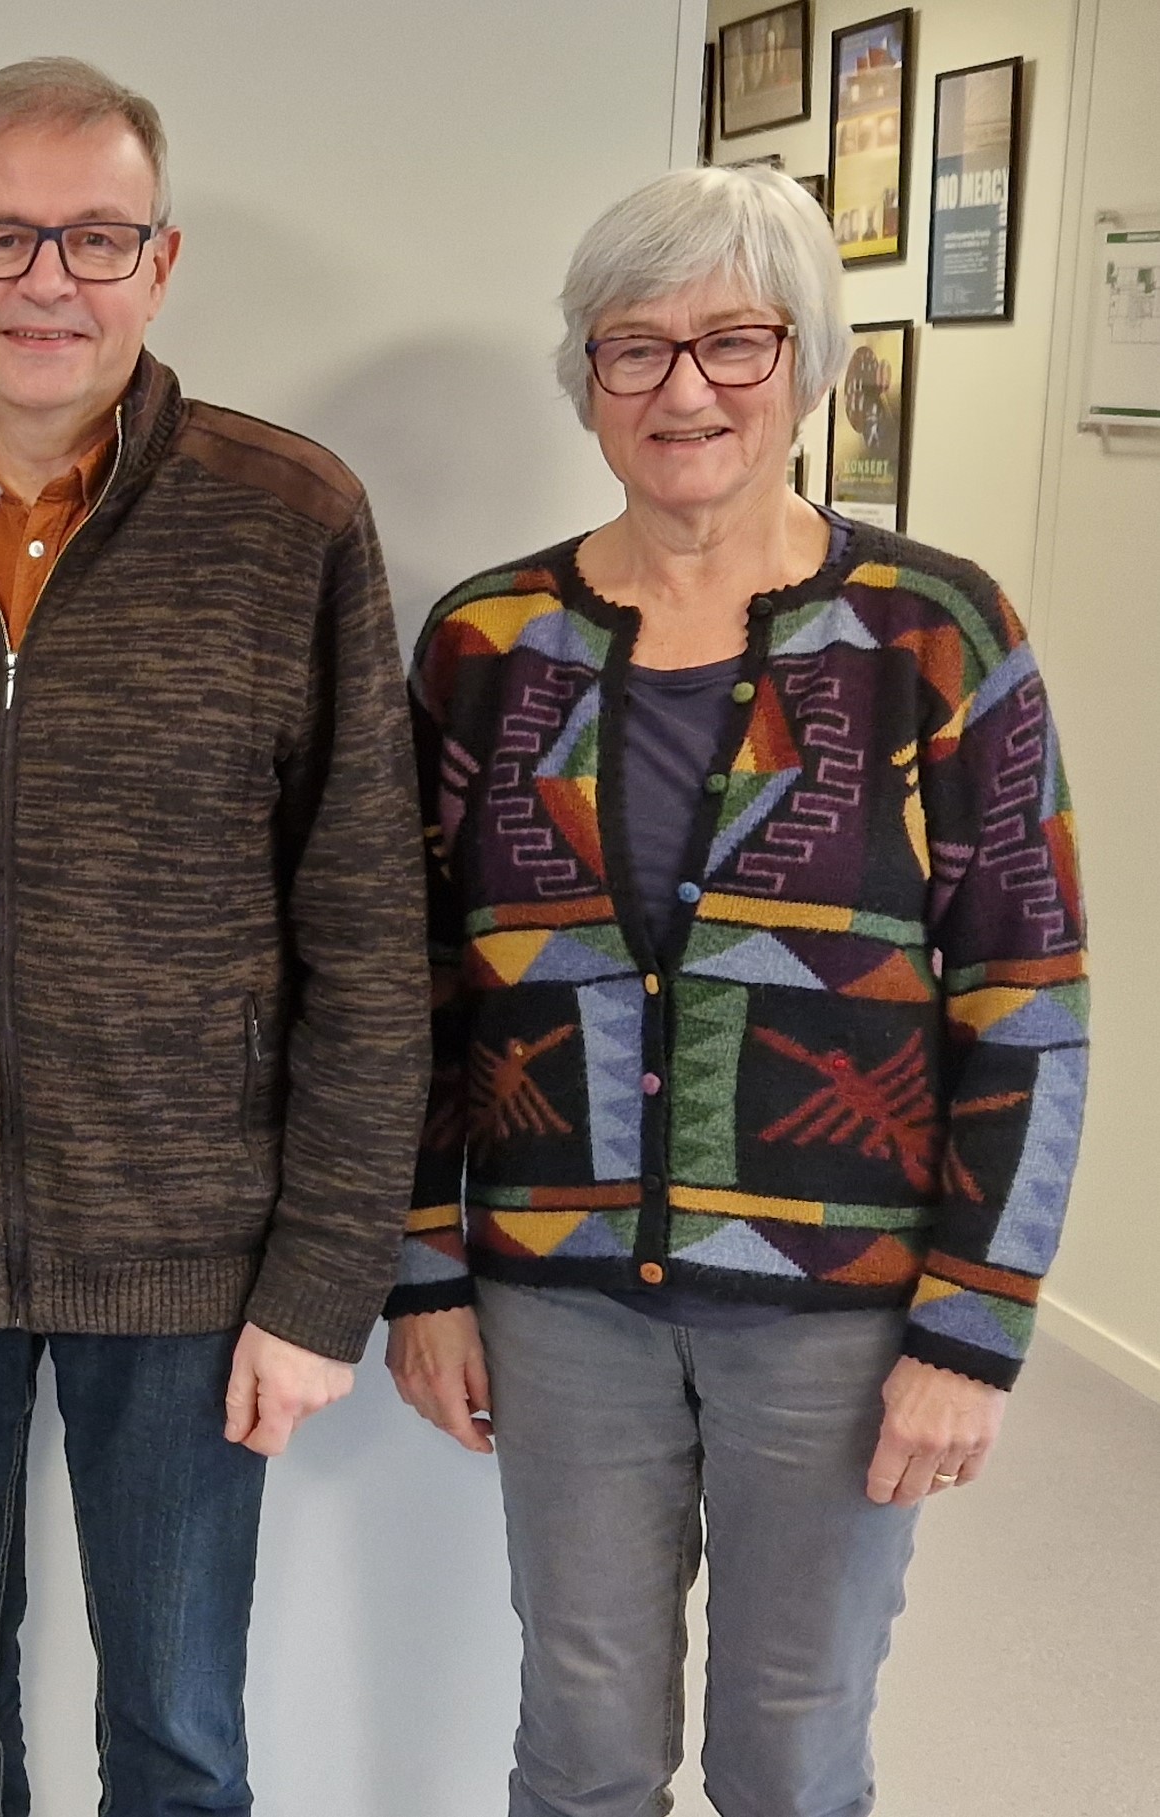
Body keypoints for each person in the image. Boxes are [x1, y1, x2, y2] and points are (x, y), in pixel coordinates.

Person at [0, 57, 431, 1817]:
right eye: (4, 236)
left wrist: (321, 1280)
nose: (51, 278)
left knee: (180, 1728)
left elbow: (365, 930)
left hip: (198, 1261)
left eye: (98, 236)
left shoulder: (294, 519)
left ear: (163, 261)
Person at [383, 162, 1087, 1817]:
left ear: (810, 363)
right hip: (560, 1301)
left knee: (792, 1748)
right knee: (583, 1744)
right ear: (588, 378)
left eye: (735, 341)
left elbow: (1029, 989)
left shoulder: (936, 629)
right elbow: (409, 984)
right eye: (635, 347)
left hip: (842, 1311)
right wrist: (420, 1272)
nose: (684, 388)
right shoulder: (485, 642)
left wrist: (973, 1329)